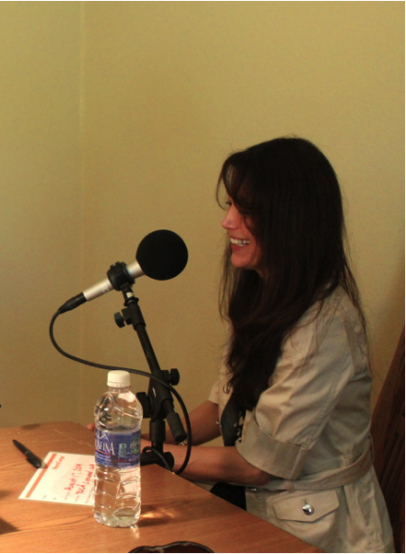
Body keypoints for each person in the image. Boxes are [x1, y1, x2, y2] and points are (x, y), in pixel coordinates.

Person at [142, 137, 393, 552]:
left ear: (291, 220)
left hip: (317, 529)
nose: (227, 223)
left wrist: (150, 453)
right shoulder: (264, 293)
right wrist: (144, 435)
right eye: (229, 206)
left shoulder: (326, 326)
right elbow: (223, 406)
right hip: (252, 506)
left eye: (245, 210)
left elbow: (259, 466)